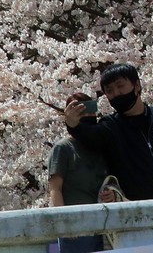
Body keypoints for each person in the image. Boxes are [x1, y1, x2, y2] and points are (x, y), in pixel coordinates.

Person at [64, 63, 153, 200]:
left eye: (120, 86)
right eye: (109, 91)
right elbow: (90, 137)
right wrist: (72, 125)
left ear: (137, 85)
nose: (116, 93)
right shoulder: (111, 127)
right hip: (135, 213)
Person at [48, 92, 113, 253]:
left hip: (104, 223)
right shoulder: (63, 148)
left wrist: (112, 194)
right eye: (80, 110)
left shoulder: (101, 145)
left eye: (90, 109)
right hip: (76, 227)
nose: (88, 115)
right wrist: (64, 224)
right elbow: (55, 188)